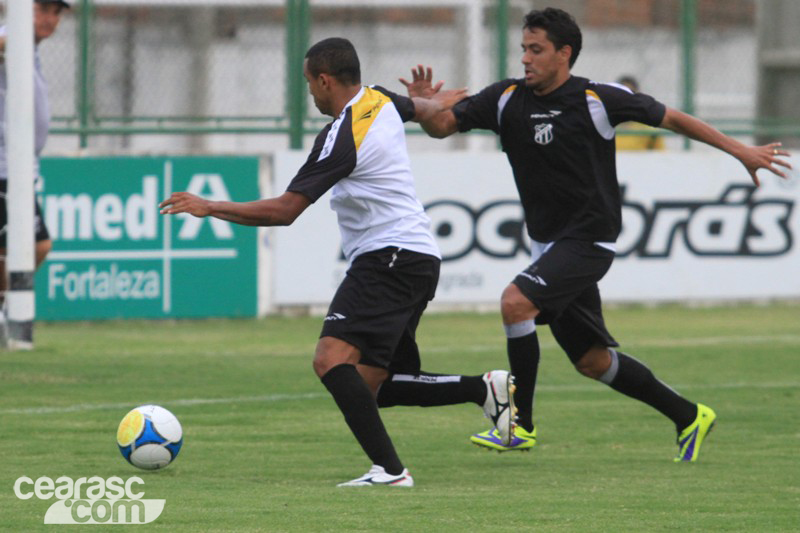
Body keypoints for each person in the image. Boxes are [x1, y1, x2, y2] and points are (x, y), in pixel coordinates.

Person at [402, 7, 791, 460]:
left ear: (563, 53)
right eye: (523, 48)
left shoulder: (597, 98)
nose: (525, 58)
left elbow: (674, 119)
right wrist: (425, 106)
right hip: (548, 244)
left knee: (515, 303)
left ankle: (519, 425)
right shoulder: (505, 97)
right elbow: (442, 127)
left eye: (536, 49)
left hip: (590, 239)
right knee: (593, 362)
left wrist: (740, 150)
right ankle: (689, 415)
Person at [160, 37, 517, 487]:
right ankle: (482, 388)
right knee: (370, 384)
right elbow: (426, 109)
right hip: (416, 257)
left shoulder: (342, 136)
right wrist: (431, 101)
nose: (309, 91)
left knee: (330, 359)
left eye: (309, 82)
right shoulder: (380, 98)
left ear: (325, 80)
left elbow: (285, 211)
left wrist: (211, 206)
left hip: (389, 257)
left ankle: (390, 472)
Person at [0, 0, 68, 314]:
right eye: (43, 9)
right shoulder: (11, 39)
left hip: (21, 170)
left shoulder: (31, 51)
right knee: (27, 246)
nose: (50, 18)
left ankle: (4, 311)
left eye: (56, 13)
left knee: (33, 247)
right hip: (4, 168)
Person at [614, 75, 665, 151]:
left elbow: (660, 153)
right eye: (622, 93)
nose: (626, 98)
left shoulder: (648, 130)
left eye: (631, 93)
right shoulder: (607, 124)